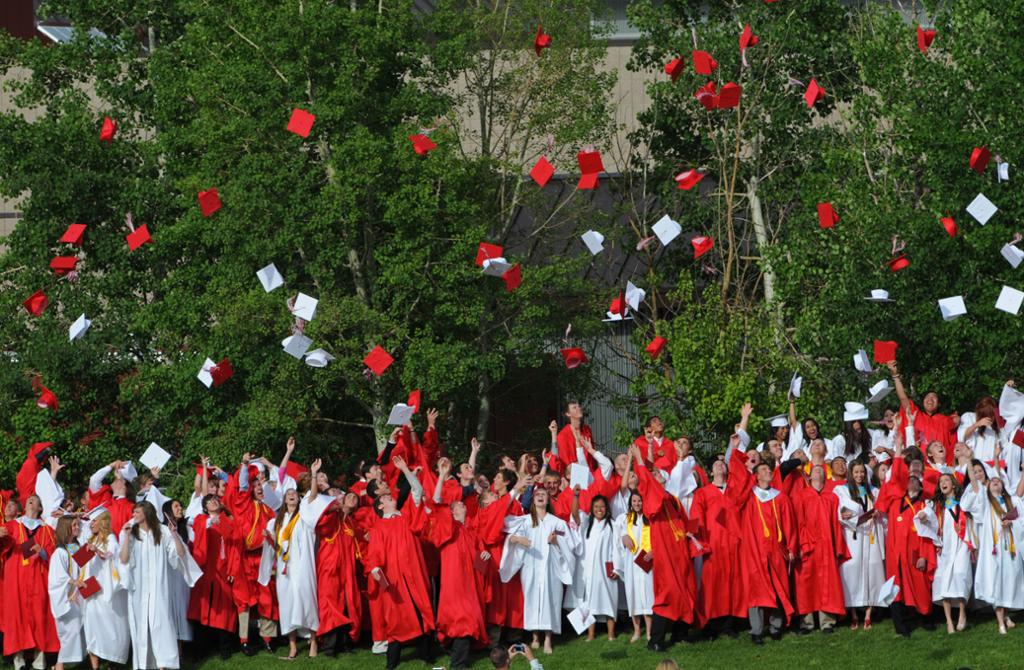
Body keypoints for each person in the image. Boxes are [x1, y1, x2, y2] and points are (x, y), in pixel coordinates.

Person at [365, 456, 435, 670]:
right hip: (395, 577)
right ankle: (392, 661)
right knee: (396, 617)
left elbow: (417, 491)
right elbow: (374, 554)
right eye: (386, 497)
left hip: (415, 572)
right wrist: (376, 569)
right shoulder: (378, 528)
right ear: (381, 504)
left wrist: (405, 468)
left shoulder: (406, 517)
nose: (390, 497)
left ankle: (428, 654)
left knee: (422, 609)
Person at [726, 450, 798, 645]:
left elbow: (789, 524)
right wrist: (739, 448)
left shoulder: (780, 497)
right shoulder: (749, 497)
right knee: (755, 590)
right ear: (756, 476)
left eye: (768, 468)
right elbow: (736, 483)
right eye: (764, 469)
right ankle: (756, 630)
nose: (768, 471)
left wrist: (791, 547)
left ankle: (776, 627)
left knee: (778, 587)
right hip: (754, 550)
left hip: (776, 549)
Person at [630, 445, 698, 651]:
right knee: (668, 594)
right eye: (655, 474)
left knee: (686, 591)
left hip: (680, 552)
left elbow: (684, 522)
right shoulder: (654, 500)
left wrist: (689, 533)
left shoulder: (672, 499)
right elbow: (650, 489)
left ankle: (680, 634)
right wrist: (640, 462)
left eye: (659, 473)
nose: (657, 475)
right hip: (666, 554)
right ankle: (656, 641)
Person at [118, 501, 201, 670]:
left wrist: (175, 534)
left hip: (159, 588)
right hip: (139, 591)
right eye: (134, 512)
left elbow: (179, 554)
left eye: (137, 512)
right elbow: (124, 559)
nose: (134, 515)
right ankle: (145, 665)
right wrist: (126, 537)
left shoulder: (162, 532)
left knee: (162, 625)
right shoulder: (131, 532)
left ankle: (165, 664)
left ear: (147, 513)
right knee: (142, 629)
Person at [427, 459, 488, 670]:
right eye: (459, 504)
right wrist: (443, 475)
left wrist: (484, 558)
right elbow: (436, 502)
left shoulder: (470, 531)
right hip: (454, 585)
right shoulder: (448, 527)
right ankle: (458, 664)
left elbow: (479, 563)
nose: (463, 504)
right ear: (452, 511)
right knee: (462, 620)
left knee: (467, 620)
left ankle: (454, 653)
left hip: (469, 585)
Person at [500, 487, 576, 654]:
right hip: (531, 566)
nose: (541, 497)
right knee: (533, 599)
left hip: (551, 568)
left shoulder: (557, 522)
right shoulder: (525, 521)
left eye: (544, 495)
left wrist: (557, 542)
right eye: (537, 495)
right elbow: (509, 535)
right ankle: (535, 636)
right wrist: (519, 539)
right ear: (533, 500)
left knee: (551, 600)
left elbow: (571, 545)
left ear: (548, 500)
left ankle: (548, 638)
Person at [960, 451, 1024, 635]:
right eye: (993, 481)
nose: (995, 481)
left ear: (1003, 486)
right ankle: (1001, 622)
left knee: (1010, 580)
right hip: (993, 549)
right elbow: (974, 483)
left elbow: (1020, 493)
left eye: (999, 481)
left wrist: (1011, 522)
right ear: (988, 487)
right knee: (997, 581)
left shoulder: (1010, 502)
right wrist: (970, 460)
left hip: (1010, 548)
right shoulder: (985, 501)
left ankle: (1006, 614)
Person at [875, 451, 937, 637]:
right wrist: (898, 451)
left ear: (920, 486)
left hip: (915, 553)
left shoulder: (923, 507)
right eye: (908, 480)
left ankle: (926, 619)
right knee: (896, 588)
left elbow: (928, 534)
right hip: (895, 553)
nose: (911, 482)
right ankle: (901, 627)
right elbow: (891, 483)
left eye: (915, 481)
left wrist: (925, 556)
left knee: (920, 587)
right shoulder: (895, 501)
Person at [1, 493, 59, 670]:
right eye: (28, 501)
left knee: (40, 615)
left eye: (34, 501)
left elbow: (54, 556)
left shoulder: (48, 530)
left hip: (39, 578)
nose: (30, 502)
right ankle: (18, 658)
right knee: (17, 615)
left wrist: (42, 552)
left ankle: (39, 657)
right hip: (16, 578)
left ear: (40, 508)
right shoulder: (12, 525)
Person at [262, 484, 319, 659]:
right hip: (284, 569)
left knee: (307, 599)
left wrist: (314, 475)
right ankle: (293, 646)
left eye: (295, 493)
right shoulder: (277, 522)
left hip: (302, 565)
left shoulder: (304, 515)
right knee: (287, 604)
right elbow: (275, 546)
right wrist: (269, 538)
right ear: (285, 500)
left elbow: (313, 496)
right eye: (289, 494)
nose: (292, 495)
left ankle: (314, 641)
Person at [793, 464, 849, 634]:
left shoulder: (832, 498)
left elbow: (836, 525)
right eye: (815, 470)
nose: (818, 470)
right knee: (806, 584)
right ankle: (807, 622)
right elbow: (797, 522)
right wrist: (802, 545)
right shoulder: (801, 496)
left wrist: (837, 546)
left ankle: (827, 622)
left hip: (826, 547)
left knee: (827, 584)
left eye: (821, 470)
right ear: (809, 477)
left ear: (825, 477)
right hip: (808, 546)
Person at [834, 461, 886, 630]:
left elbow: (884, 511)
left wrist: (879, 513)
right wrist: (843, 513)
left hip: (871, 535)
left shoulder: (874, 491)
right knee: (851, 572)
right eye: (856, 472)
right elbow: (839, 511)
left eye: (862, 472)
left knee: (873, 570)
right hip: (853, 537)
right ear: (851, 473)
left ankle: (869, 614)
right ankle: (854, 614)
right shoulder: (842, 490)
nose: (859, 475)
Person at [569, 493, 621, 641]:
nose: (599, 509)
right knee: (589, 602)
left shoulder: (613, 525)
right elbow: (574, 514)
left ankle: (611, 634)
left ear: (607, 509)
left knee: (609, 600)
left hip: (607, 569)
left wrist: (617, 568)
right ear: (592, 508)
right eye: (596, 507)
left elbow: (617, 548)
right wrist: (576, 496)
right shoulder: (586, 523)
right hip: (589, 570)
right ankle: (591, 635)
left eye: (602, 507)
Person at [83, 510, 131, 667]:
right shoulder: (90, 539)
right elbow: (80, 564)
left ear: (102, 522)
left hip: (106, 589)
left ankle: (112, 661)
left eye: (94, 521)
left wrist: (97, 551)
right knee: (92, 627)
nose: (91, 524)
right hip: (91, 589)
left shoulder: (110, 538)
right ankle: (95, 665)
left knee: (110, 626)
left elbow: (112, 554)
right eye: (90, 521)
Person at [929, 473, 972, 634]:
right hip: (945, 547)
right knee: (943, 580)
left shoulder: (963, 504)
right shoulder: (938, 506)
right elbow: (934, 527)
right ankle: (949, 621)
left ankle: (962, 613)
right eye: (941, 481)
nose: (943, 483)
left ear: (953, 484)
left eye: (946, 480)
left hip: (961, 545)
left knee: (961, 575)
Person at [47, 516, 85, 670]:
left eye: (78, 524)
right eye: (74, 525)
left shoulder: (78, 547)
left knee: (79, 629)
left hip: (80, 595)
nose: (77, 527)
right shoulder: (60, 552)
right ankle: (60, 665)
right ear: (66, 528)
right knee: (71, 631)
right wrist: (75, 583)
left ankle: (61, 664)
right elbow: (59, 576)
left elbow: (86, 567)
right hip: (67, 598)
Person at [616, 491, 654, 643]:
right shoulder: (625, 519)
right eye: (634, 501)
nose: (637, 504)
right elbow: (619, 535)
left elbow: (657, 537)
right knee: (633, 594)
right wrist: (623, 537)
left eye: (640, 501)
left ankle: (650, 632)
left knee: (648, 595)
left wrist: (653, 551)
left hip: (647, 561)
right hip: (632, 562)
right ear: (630, 502)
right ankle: (637, 631)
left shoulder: (650, 518)